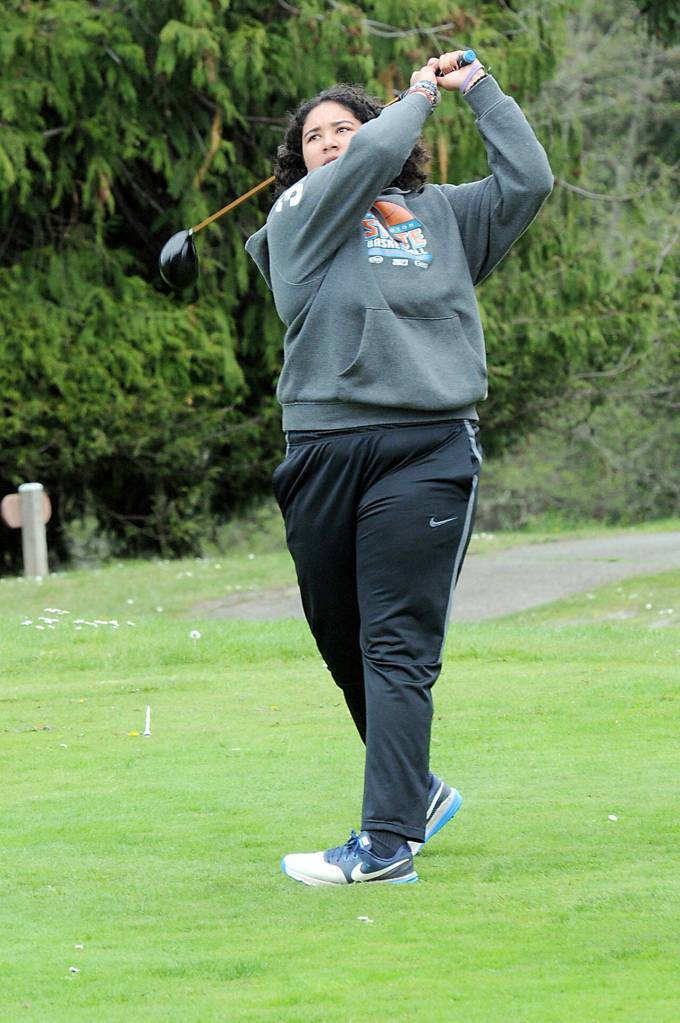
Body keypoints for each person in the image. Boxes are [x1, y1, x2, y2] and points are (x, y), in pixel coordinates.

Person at [245, 51, 553, 886]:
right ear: (299, 160)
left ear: (379, 132)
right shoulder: (295, 217)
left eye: (346, 125)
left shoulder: (446, 217)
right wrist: (414, 98)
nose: (333, 141)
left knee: (396, 645)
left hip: (426, 448)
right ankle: (415, 789)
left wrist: (478, 90)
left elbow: (528, 179)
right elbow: (375, 158)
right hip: (321, 452)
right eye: (315, 135)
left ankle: (387, 844)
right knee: (341, 635)